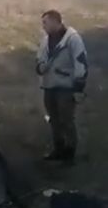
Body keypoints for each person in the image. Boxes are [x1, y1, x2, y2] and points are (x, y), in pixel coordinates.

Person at [36, 10, 88, 164]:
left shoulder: (73, 39)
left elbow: (81, 63)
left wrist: (79, 87)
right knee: (54, 120)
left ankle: (69, 153)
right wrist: (40, 67)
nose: (43, 26)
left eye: (45, 22)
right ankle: (58, 149)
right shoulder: (45, 40)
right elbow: (39, 59)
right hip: (49, 85)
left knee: (66, 120)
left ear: (55, 21)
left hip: (66, 87)